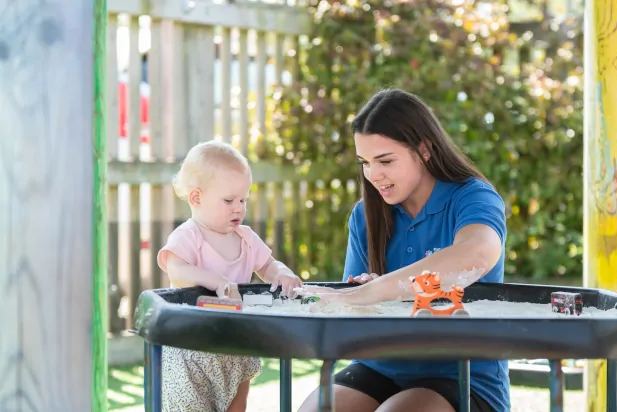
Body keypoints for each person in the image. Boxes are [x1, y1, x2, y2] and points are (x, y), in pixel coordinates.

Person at [297, 89, 510, 412]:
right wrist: (364, 293)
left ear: (423, 149)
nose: (373, 175)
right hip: (381, 365)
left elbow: (478, 251)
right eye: (365, 163)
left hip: (461, 373)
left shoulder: (473, 197)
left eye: (385, 161)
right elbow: (357, 307)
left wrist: (381, 289)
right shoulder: (365, 215)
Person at [157, 140, 303, 412]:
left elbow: (267, 264)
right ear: (196, 198)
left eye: (243, 199)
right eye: (228, 200)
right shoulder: (189, 236)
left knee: (237, 404)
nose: (238, 208)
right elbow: (177, 271)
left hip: (235, 344)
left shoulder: (246, 238)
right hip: (192, 348)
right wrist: (216, 281)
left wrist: (282, 272)